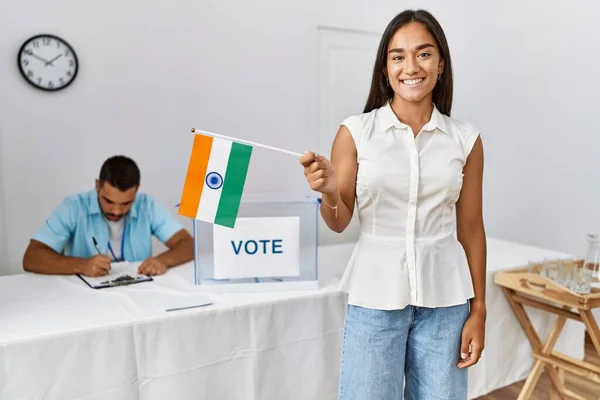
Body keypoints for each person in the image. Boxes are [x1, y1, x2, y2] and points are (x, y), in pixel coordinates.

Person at [300, 9, 486, 400]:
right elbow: (338, 221)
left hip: (447, 303)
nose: (410, 66)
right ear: (385, 69)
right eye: (398, 56)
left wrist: (479, 308)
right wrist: (332, 193)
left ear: (440, 64)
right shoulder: (356, 133)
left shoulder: (465, 140)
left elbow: (470, 228)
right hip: (374, 299)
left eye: (423, 53)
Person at [23, 155, 194, 277]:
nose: (117, 211)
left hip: (138, 295)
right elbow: (32, 257)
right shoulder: (74, 206)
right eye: (109, 201)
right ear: (97, 186)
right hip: (86, 297)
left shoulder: (147, 204)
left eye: (126, 203)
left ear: (137, 190)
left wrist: (163, 260)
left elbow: (188, 244)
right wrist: (82, 265)